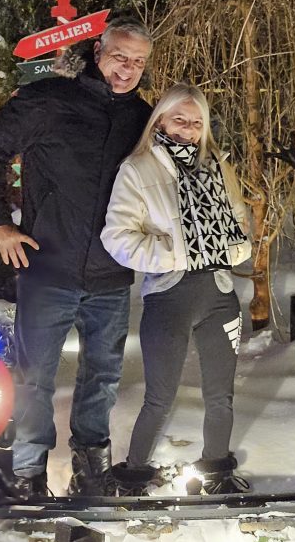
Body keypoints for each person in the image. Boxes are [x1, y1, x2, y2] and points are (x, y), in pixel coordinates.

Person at [0, 17, 153, 497]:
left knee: (104, 378)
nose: (127, 69)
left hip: (111, 274)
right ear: (99, 53)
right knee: (35, 380)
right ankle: (28, 473)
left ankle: (91, 467)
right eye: (119, 57)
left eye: (137, 62)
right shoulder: (51, 100)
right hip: (47, 266)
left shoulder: (144, 121)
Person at [100, 83, 253, 496]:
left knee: (221, 394)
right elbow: (117, 237)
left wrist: (237, 248)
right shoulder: (138, 169)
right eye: (179, 120)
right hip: (169, 294)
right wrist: (172, 255)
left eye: (196, 122)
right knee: (160, 396)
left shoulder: (217, 164)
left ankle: (217, 473)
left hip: (219, 293)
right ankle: (133, 476)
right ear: (160, 121)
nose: (187, 130)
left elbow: (239, 219)